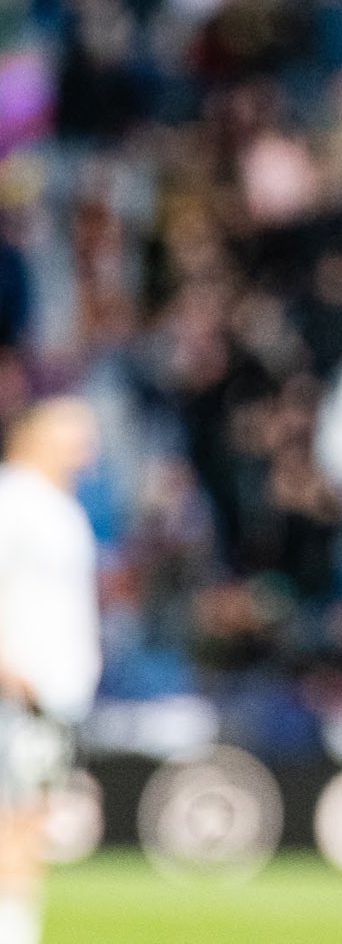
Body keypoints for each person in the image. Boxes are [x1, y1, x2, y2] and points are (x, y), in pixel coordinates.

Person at [0, 399, 100, 944]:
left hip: (53, 692)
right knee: (14, 818)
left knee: (28, 817)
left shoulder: (63, 507)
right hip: (18, 690)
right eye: (76, 431)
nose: (89, 445)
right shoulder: (13, 498)